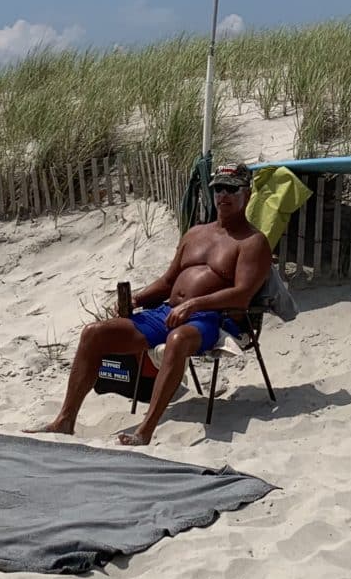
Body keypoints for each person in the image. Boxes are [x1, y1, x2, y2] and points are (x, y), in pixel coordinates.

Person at [28, 162, 272, 446]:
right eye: (218, 188)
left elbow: (241, 294)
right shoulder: (195, 233)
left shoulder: (253, 242)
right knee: (94, 333)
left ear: (248, 194)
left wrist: (193, 305)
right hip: (167, 312)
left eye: (232, 189)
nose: (223, 195)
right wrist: (138, 298)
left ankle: (145, 431)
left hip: (212, 318)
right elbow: (168, 281)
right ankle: (65, 421)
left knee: (178, 339)